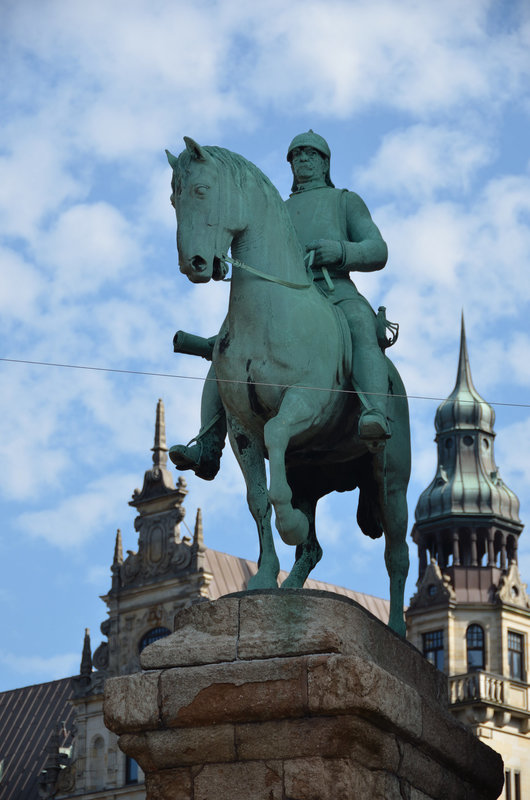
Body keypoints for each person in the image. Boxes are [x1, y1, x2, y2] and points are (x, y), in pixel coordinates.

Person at [169, 130, 391, 479]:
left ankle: (374, 412)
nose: (302, 160)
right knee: (226, 348)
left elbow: (377, 250)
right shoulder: (276, 206)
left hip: (334, 293)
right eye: (296, 155)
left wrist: (342, 251)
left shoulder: (345, 200)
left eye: (310, 154)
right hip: (279, 301)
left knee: (361, 324)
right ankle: (209, 442)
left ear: (324, 162)